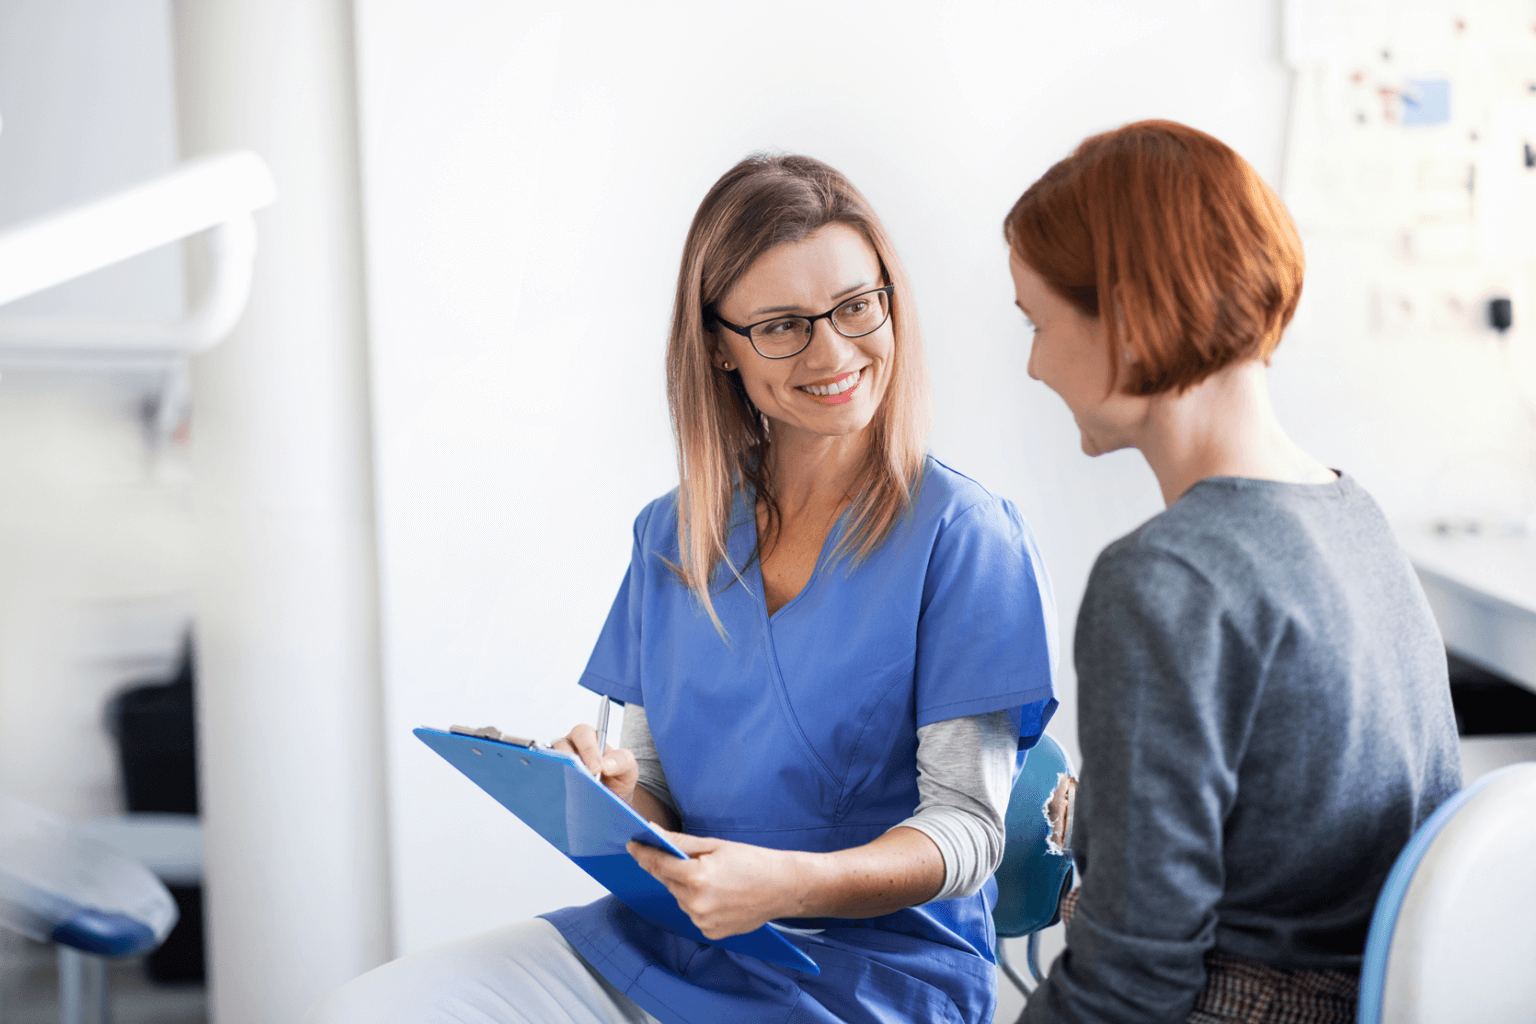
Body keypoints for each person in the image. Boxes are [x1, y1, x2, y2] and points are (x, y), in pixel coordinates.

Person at [307, 153, 1057, 1024]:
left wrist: (786, 886)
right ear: (718, 347)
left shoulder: (965, 537)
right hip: (664, 941)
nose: (834, 350)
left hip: (866, 978)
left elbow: (969, 832)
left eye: (857, 306)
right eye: (782, 325)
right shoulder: (672, 534)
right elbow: (653, 787)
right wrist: (607, 795)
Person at [1003, 120, 1462, 1024]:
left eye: (1038, 321)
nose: (1032, 364)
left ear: (1126, 321)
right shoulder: (1352, 518)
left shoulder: (1164, 582)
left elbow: (1130, 985)